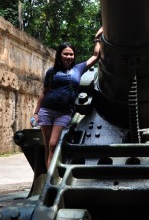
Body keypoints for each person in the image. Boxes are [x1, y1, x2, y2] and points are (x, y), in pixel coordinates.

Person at [32, 28, 103, 168]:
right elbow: (44, 93)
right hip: (47, 110)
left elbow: (96, 56)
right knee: (47, 146)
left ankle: (52, 173)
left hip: (64, 113)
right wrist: (36, 113)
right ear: (59, 55)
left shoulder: (78, 69)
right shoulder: (52, 72)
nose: (69, 57)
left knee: (53, 144)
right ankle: (49, 178)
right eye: (65, 54)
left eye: (71, 54)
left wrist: (97, 40)